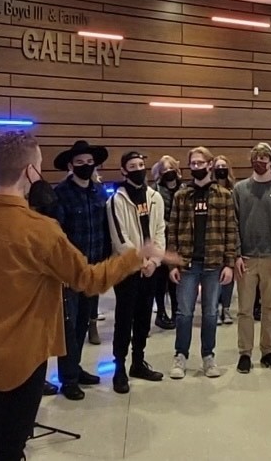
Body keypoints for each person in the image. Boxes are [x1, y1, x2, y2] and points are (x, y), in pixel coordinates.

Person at [0, 130, 177, 461]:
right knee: (9, 447)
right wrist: (136, 255)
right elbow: (87, 279)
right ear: (31, 171)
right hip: (22, 356)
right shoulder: (40, 231)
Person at [167, 147, 237, 379]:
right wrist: (172, 264)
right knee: (184, 313)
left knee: (209, 313)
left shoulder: (224, 195)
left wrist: (229, 263)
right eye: (192, 164)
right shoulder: (181, 195)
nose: (196, 167)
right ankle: (181, 356)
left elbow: (230, 230)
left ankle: (208, 356)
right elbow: (173, 231)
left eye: (200, 163)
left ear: (210, 165)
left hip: (214, 263)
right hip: (187, 264)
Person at [51, 140, 110, 401]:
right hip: (70, 273)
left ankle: (76, 368)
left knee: (85, 322)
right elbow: (57, 236)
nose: (86, 166)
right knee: (70, 327)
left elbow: (105, 228)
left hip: (93, 269)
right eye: (80, 163)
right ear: (70, 165)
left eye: (89, 162)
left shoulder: (99, 191)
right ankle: (68, 379)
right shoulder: (60, 194)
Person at [107, 151, 165, 394]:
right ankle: (119, 367)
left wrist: (154, 261)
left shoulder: (155, 197)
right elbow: (120, 238)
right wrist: (140, 262)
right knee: (124, 318)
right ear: (123, 170)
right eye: (132, 165)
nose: (138, 169)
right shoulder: (115, 200)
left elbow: (160, 230)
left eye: (141, 165)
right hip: (128, 269)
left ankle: (138, 361)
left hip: (150, 268)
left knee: (143, 318)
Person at [234, 143, 271, 373]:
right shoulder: (240, 189)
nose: (259, 161)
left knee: (270, 308)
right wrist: (237, 254)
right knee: (245, 309)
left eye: (263, 157)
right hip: (246, 258)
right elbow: (234, 224)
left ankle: (268, 351)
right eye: (255, 157)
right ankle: (245, 353)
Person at [151, 155, 182, 330]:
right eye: (165, 170)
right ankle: (161, 312)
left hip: (179, 240)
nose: (169, 173)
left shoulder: (184, 188)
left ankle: (177, 310)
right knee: (161, 279)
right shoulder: (155, 191)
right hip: (162, 239)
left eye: (172, 169)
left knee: (176, 279)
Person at [212, 155, 238, 325]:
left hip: (230, 235)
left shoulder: (234, 190)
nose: (221, 168)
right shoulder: (209, 188)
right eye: (218, 165)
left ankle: (226, 308)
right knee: (214, 275)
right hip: (213, 237)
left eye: (224, 165)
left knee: (229, 273)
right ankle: (214, 307)